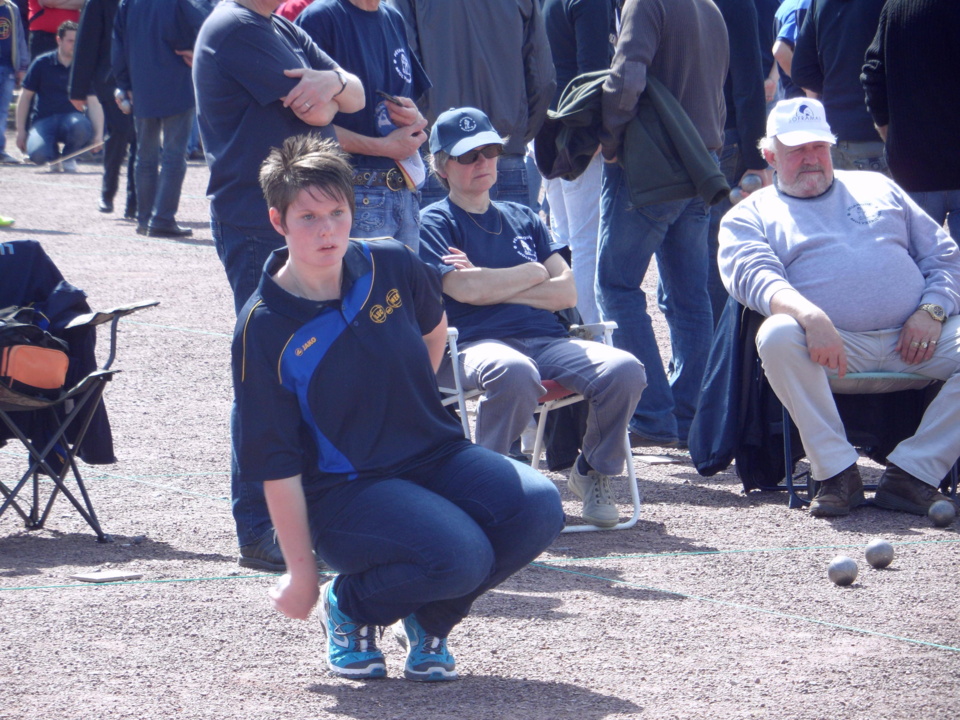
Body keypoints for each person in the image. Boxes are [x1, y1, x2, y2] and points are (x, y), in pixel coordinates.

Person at [234, 133, 563, 681]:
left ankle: (430, 620)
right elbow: (274, 463)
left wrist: (404, 404)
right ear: (278, 222)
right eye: (308, 217)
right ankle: (350, 606)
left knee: (538, 506)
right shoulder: (263, 328)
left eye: (337, 212)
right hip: (343, 490)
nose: (327, 230)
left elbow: (434, 337)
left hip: (433, 453)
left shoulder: (391, 263)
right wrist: (300, 571)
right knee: (460, 555)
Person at [719, 97, 960, 518]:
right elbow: (754, 276)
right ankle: (836, 473)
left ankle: (914, 474)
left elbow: (944, 257)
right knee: (776, 334)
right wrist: (810, 316)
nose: (811, 159)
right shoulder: (750, 214)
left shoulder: (879, 187)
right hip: (829, 350)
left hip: (918, 341)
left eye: (819, 147)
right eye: (796, 150)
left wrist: (933, 310)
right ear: (770, 155)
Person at [193, 0, 364, 573]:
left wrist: (334, 80)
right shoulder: (236, 27)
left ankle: (301, 516)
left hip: (300, 220)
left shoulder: (278, 25)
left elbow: (356, 97)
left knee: (311, 365)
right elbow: (321, 117)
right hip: (258, 222)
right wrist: (333, 89)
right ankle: (259, 527)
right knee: (264, 374)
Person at [418, 107, 646, 528]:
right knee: (514, 369)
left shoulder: (524, 218)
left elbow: (568, 291)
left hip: (547, 342)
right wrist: (533, 273)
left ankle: (592, 471)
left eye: (489, 151)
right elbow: (464, 290)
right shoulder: (434, 222)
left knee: (626, 369)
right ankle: (484, 484)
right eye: (468, 156)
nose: (483, 162)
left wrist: (492, 283)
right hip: (470, 346)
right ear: (442, 166)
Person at [596, 0, 728, 449]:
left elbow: (627, 77)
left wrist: (610, 140)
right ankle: (688, 416)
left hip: (654, 163)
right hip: (701, 161)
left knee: (615, 286)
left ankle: (654, 416)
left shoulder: (647, 2)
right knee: (691, 297)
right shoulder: (709, 7)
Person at [389, 0, 556, 208]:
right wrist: (516, 134)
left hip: (441, 152)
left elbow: (401, 69)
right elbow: (543, 78)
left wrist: (427, 127)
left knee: (440, 239)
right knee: (505, 237)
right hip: (498, 150)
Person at [295, 0, 430, 250]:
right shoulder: (320, 18)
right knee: (361, 289)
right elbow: (298, 125)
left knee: (403, 288)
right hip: (348, 194)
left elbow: (412, 104)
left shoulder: (393, 17)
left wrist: (413, 117)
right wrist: (383, 147)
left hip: (404, 192)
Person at [539, 0, 615, 326]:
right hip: (576, 134)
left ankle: (571, 330)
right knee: (587, 244)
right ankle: (592, 335)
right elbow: (594, 75)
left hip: (548, 128)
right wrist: (599, 136)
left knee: (566, 238)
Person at [861, 0, 960, 242]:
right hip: (916, 166)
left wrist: (888, 131)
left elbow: (873, 73)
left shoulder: (896, 6)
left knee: (923, 271)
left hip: (914, 164)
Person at [111, 0, 209, 237]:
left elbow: (117, 44)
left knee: (145, 157)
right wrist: (197, 53)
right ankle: (162, 218)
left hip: (142, 85)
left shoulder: (128, 3)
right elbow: (208, 22)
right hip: (177, 83)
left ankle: (145, 219)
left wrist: (124, 83)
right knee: (174, 157)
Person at [790, 0, 887, 174]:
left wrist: (837, 87)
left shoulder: (818, 3)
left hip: (834, 137)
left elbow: (801, 71)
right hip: (877, 135)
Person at [67, 0, 136, 218]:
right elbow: (86, 43)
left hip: (143, 77)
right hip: (110, 79)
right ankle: (108, 191)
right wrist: (77, 90)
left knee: (140, 138)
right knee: (120, 131)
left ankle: (135, 201)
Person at [15, 20, 93, 171]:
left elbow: (93, 101)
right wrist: (20, 131)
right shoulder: (41, 63)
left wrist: (98, 135)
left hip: (72, 119)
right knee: (38, 155)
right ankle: (53, 156)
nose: (74, 45)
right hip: (44, 120)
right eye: (70, 41)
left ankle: (69, 157)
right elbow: (25, 98)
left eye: (77, 41)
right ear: (59, 40)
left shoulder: (83, 66)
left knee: (82, 127)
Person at [0, 0, 29, 164]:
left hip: (8, 67)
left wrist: (22, 66)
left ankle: (0, 150)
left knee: (2, 111)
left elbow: (19, 38)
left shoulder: (12, 9)